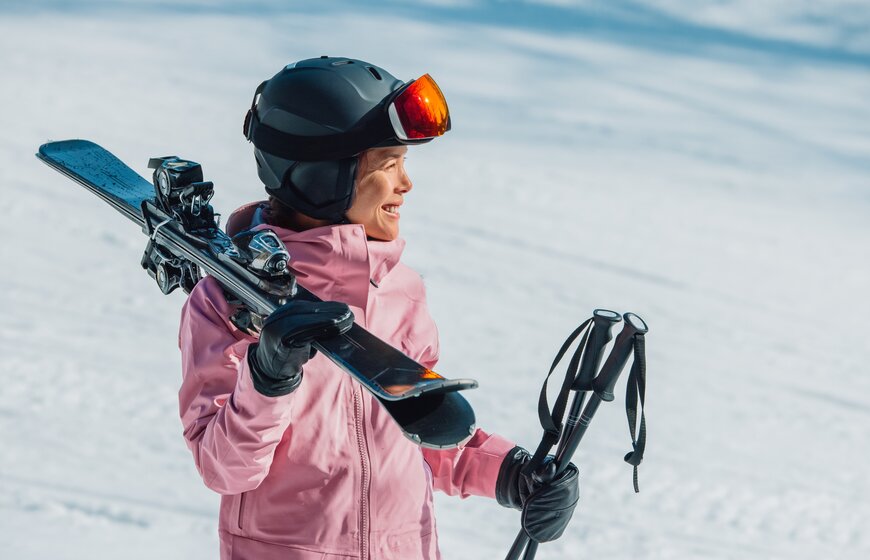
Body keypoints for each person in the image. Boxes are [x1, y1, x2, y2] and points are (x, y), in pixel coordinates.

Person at [178, 56, 579, 560]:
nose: (405, 184)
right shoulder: (225, 301)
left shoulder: (400, 290)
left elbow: (422, 431)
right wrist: (267, 379)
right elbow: (225, 468)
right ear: (322, 176)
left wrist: (513, 473)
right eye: (388, 164)